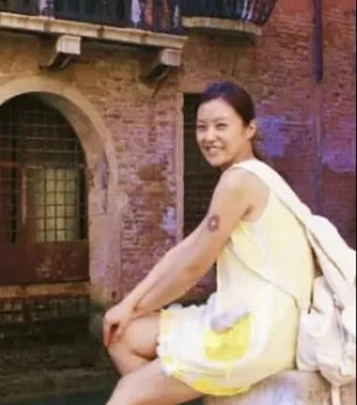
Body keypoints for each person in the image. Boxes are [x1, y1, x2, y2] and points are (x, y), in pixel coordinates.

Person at [102, 81, 315, 405]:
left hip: (256, 332)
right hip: (249, 317)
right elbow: (186, 250)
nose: (209, 136)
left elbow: (194, 267)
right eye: (202, 127)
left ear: (249, 129)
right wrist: (129, 304)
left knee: (128, 392)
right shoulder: (252, 175)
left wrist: (134, 308)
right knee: (123, 337)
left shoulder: (239, 181)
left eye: (221, 126)